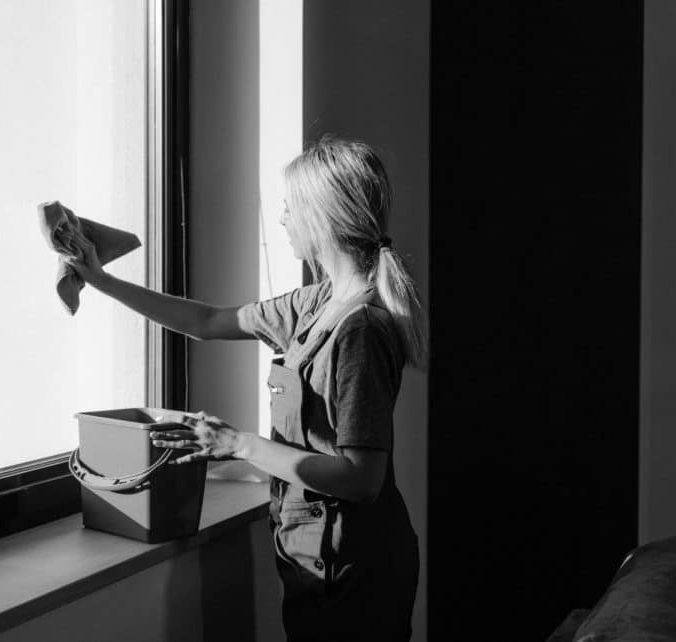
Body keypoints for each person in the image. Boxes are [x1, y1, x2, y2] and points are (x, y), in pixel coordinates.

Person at [66, 135, 427, 641]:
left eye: (289, 208)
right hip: (311, 558)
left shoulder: (360, 327)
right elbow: (209, 321)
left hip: (354, 571)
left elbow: (361, 478)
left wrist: (237, 445)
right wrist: (101, 281)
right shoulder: (316, 301)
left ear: (321, 218)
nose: (281, 220)